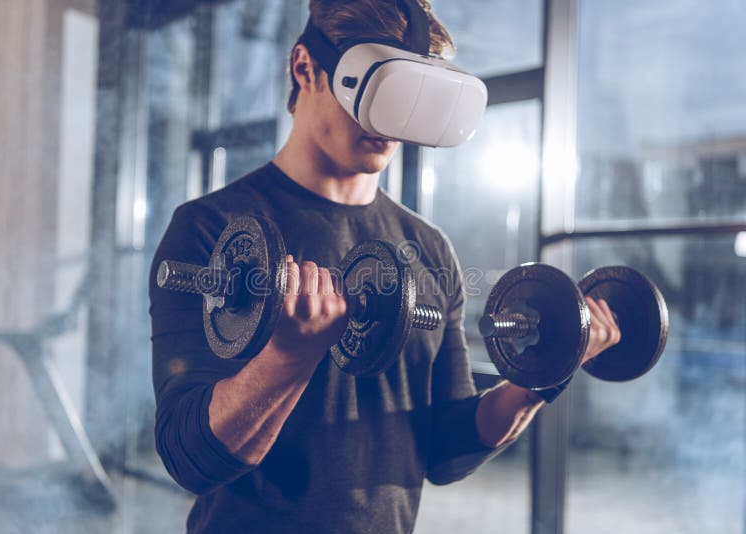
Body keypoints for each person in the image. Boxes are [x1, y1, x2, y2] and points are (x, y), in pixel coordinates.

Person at [149, 1, 621, 532]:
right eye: (378, 93)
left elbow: (444, 448)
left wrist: (540, 377)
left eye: (409, 99)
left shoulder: (429, 247)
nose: (391, 122)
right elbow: (187, 457)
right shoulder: (211, 228)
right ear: (306, 68)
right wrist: (289, 356)